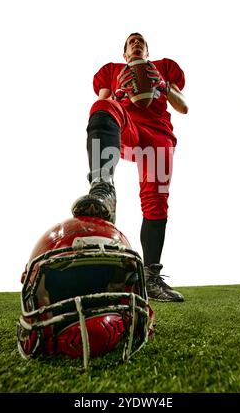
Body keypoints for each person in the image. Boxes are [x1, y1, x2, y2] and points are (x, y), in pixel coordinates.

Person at [72, 33, 188, 302]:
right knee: (101, 106)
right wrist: (115, 97)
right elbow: (105, 104)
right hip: (129, 130)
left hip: (158, 137)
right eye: (131, 42)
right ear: (124, 54)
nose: (136, 43)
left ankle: (151, 278)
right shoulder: (112, 72)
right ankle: (102, 186)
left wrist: (164, 85)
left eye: (141, 41)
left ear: (147, 50)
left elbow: (184, 107)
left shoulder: (164, 68)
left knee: (156, 201)